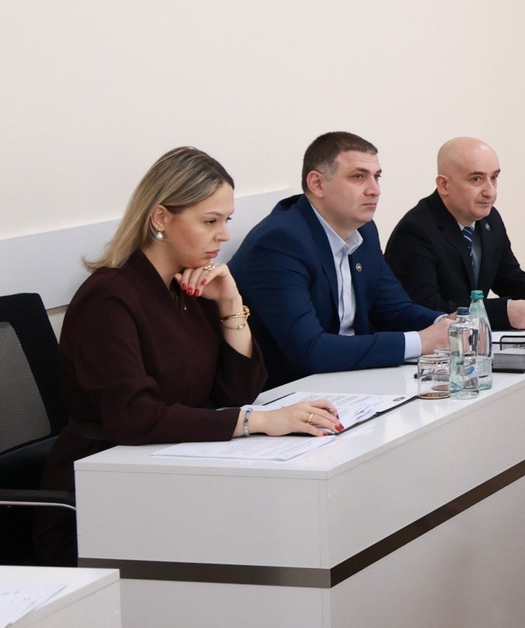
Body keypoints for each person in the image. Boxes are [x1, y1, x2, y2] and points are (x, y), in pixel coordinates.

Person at [35, 148, 341, 564]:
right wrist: (258, 422)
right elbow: (135, 416)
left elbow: (239, 391)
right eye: (210, 221)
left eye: (227, 220)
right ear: (161, 218)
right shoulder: (109, 297)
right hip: (101, 496)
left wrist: (230, 303)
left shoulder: (189, 287)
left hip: (172, 473)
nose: (224, 235)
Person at [238, 132, 452, 387]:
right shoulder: (279, 242)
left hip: (349, 379)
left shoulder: (363, 230)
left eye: (376, 177)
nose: (374, 190)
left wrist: (446, 324)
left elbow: (394, 309)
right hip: (291, 390)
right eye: (358, 177)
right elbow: (310, 350)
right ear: (317, 183)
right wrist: (421, 342)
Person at [386, 137, 525, 331]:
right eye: (476, 179)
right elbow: (426, 308)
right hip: (436, 345)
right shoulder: (415, 231)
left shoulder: (489, 218)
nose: (490, 192)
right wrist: (501, 312)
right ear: (444, 185)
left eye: (494, 178)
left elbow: (508, 278)